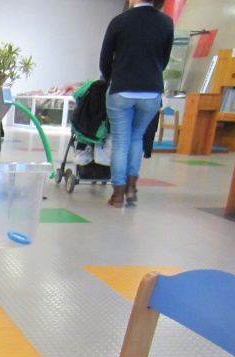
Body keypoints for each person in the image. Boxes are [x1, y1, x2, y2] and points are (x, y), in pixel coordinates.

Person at [99, 0, 173, 207]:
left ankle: (117, 194)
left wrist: (110, 79)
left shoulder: (120, 21)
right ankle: (131, 189)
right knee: (137, 137)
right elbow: (164, 59)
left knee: (120, 141)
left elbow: (105, 58)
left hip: (121, 89)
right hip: (151, 91)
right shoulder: (166, 22)